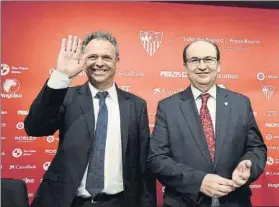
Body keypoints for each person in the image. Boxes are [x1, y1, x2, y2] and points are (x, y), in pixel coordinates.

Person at [24, 31, 157, 207]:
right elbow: (35, 127)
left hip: (119, 202)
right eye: (92, 56)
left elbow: (143, 164)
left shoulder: (135, 105)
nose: (99, 63)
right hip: (67, 201)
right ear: (84, 60)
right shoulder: (66, 96)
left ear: (117, 61)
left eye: (106, 57)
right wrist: (62, 75)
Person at [147, 40, 267, 207]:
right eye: (194, 60)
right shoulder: (168, 107)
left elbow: (256, 148)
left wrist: (249, 166)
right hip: (184, 202)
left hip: (234, 201)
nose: (202, 66)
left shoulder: (240, 103)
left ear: (218, 65)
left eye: (208, 59)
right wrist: (199, 181)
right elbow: (157, 159)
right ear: (185, 67)